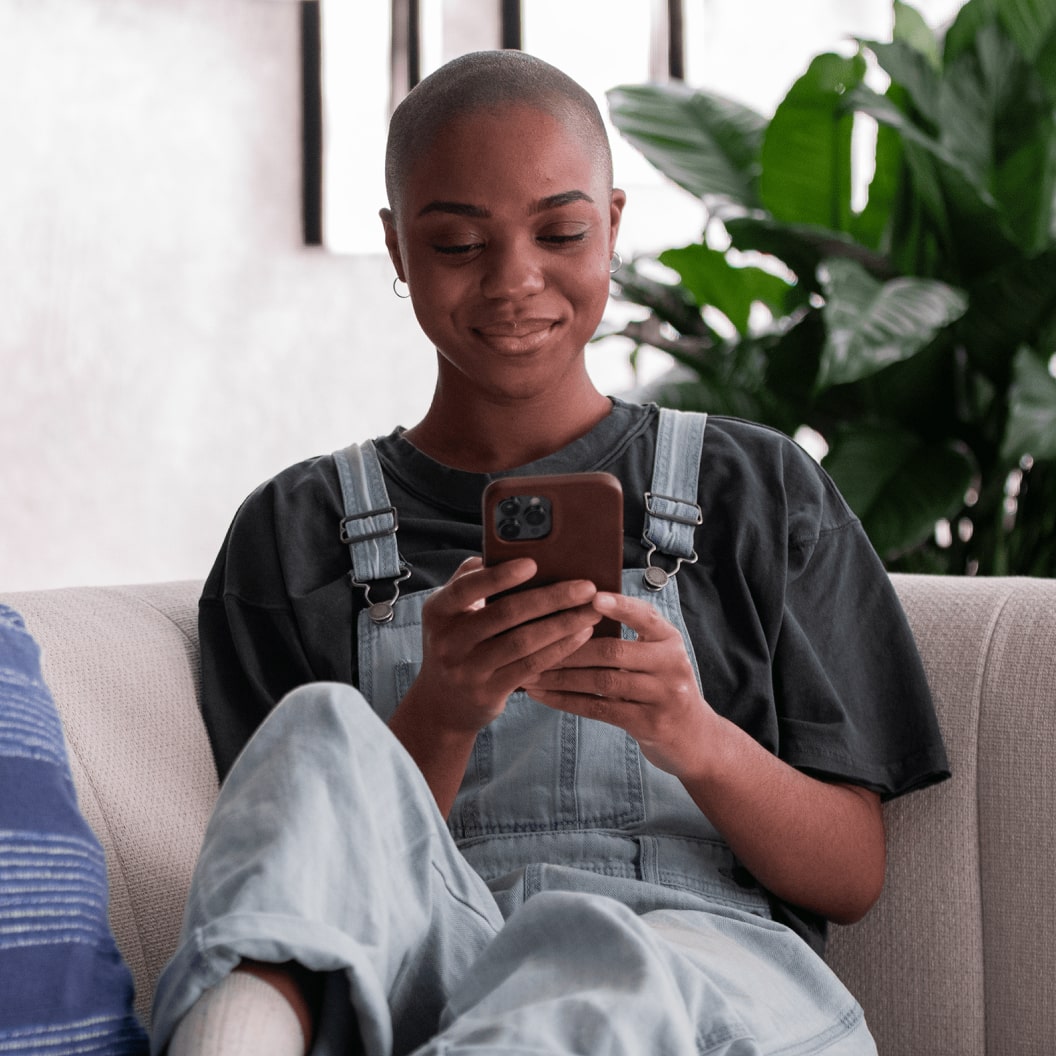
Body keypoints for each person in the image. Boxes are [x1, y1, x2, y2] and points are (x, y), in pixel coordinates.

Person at [151, 49, 949, 1056]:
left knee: (589, 956)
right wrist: (440, 711)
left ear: (613, 223)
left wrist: (690, 733)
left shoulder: (758, 492)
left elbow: (850, 876)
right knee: (320, 732)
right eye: (456, 244)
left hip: (707, 975)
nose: (514, 280)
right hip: (433, 964)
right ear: (397, 249)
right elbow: (293, 867)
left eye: (561, 232)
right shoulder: (295, 530)